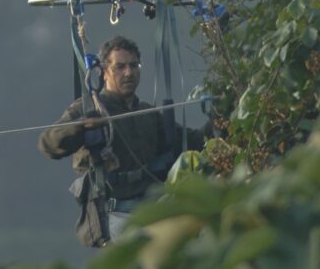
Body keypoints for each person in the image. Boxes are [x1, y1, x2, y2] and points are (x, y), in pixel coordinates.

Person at [38, 34, 206, 247]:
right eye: (120, 67)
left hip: (152, 211)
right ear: (104, 71)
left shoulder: (148, 114)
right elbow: (48, 144)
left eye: (134, 65)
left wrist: (221, 118)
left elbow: (194, 142)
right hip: (113, 215)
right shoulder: (90, 108)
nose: (128, 73)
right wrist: (80, 126)